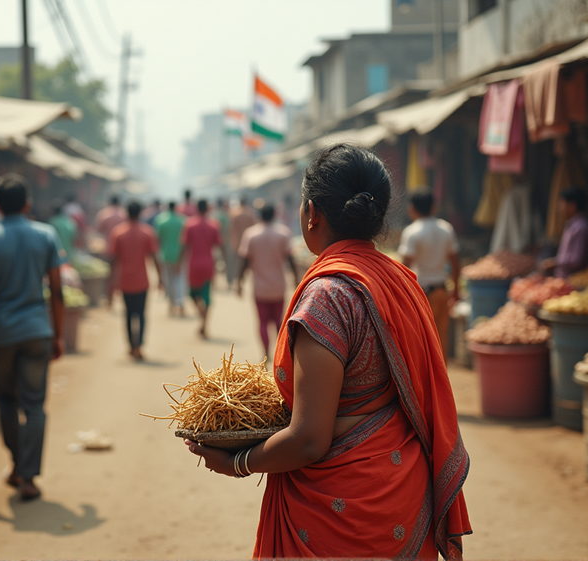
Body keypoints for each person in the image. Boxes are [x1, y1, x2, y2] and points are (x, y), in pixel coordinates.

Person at [186, 144, 471, 560]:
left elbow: (308, 441)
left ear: (312, 213)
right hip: (399, 497)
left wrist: (237, 462)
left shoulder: (328, 297)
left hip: (337, 518)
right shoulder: (400, 281)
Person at [0, 174, 66, 502]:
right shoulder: (46, 235)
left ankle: (17, 464)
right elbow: (57, 290)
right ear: (27, 205)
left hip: (3, 335)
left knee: (7, 401)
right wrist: (58, 334)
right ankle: (29, 476)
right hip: (38, 330)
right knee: (35, 406)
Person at [398, 189, 461, 358]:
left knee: (422, 344)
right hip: (442, 291)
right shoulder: (446, 228)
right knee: (441, 344)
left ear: (412, 209)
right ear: (434, 207)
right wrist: (455, 291)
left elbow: (405, 268)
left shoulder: (412, 232)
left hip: (422, 293)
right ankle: (442, 382)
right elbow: (455, 263)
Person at [236, 205, 300, 357]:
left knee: (263, 322)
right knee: (279, 322)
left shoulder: (251, 234)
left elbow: (244, 261)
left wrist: (239, 281)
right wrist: (296, 278)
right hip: (278, 286)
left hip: (260, 288)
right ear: (274, 215)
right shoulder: (283, 233)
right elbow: (290, 259)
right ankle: (281, 354)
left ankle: (265, 353)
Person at [108, 201, 162, 361]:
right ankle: (138, 346)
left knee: (128, 314)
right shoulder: (147, 232)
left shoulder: (118, 233)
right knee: (141, 314)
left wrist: (111, 282)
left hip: (125, 281)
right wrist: (160, 279)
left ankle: (131, 346)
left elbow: (114, 259)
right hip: (142, 281)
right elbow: (154, 257)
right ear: (140, 213)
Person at [181, 199, 222, 338]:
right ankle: (204, 323)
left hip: (194, 263)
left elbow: (185, 245)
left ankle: (202, 317)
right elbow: (217, 244)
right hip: (208, 263)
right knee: (206, 297)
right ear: (208, 209)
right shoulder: (213, 225)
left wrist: (180, 262)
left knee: (192, 294)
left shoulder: (189, 224)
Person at [542, 188, 588, 278]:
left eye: (562, 203)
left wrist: (555, 263)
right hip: (564, 279)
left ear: (572, 205)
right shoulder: (571, 226)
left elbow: (576, 260)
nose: (559, 207)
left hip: (574, 279)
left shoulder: (581, 228)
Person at [154, 202, 187, 316]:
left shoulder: (161, 220)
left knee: (169, 281)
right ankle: (180, 303)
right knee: (180, 280)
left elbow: (158, 239)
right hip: (180, 255)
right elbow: (185, 241)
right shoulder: (182, 221)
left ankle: (171, 304)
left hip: (165, 255)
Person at [229, 197, 258, 284]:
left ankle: (239, 280)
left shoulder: (235, 214)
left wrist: (234, 243)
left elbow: (232, 230)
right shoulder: (250, 214)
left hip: (239, 242)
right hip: (250, 242)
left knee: (240, 264)